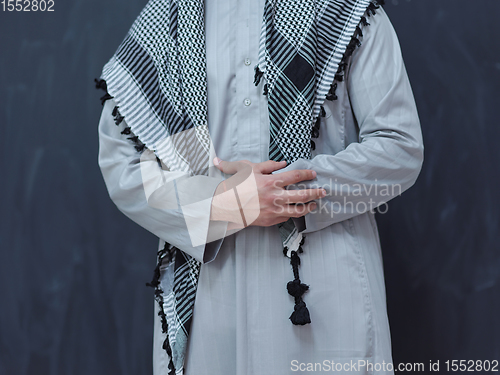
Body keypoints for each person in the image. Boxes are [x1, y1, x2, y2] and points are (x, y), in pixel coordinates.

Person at [96, 0, 423, 374]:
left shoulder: (343, 8)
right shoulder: (166, 18)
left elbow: (400, 147)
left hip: (326, 288)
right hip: (208, 299)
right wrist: (228, 203)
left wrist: (288, 193)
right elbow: (125, 166)